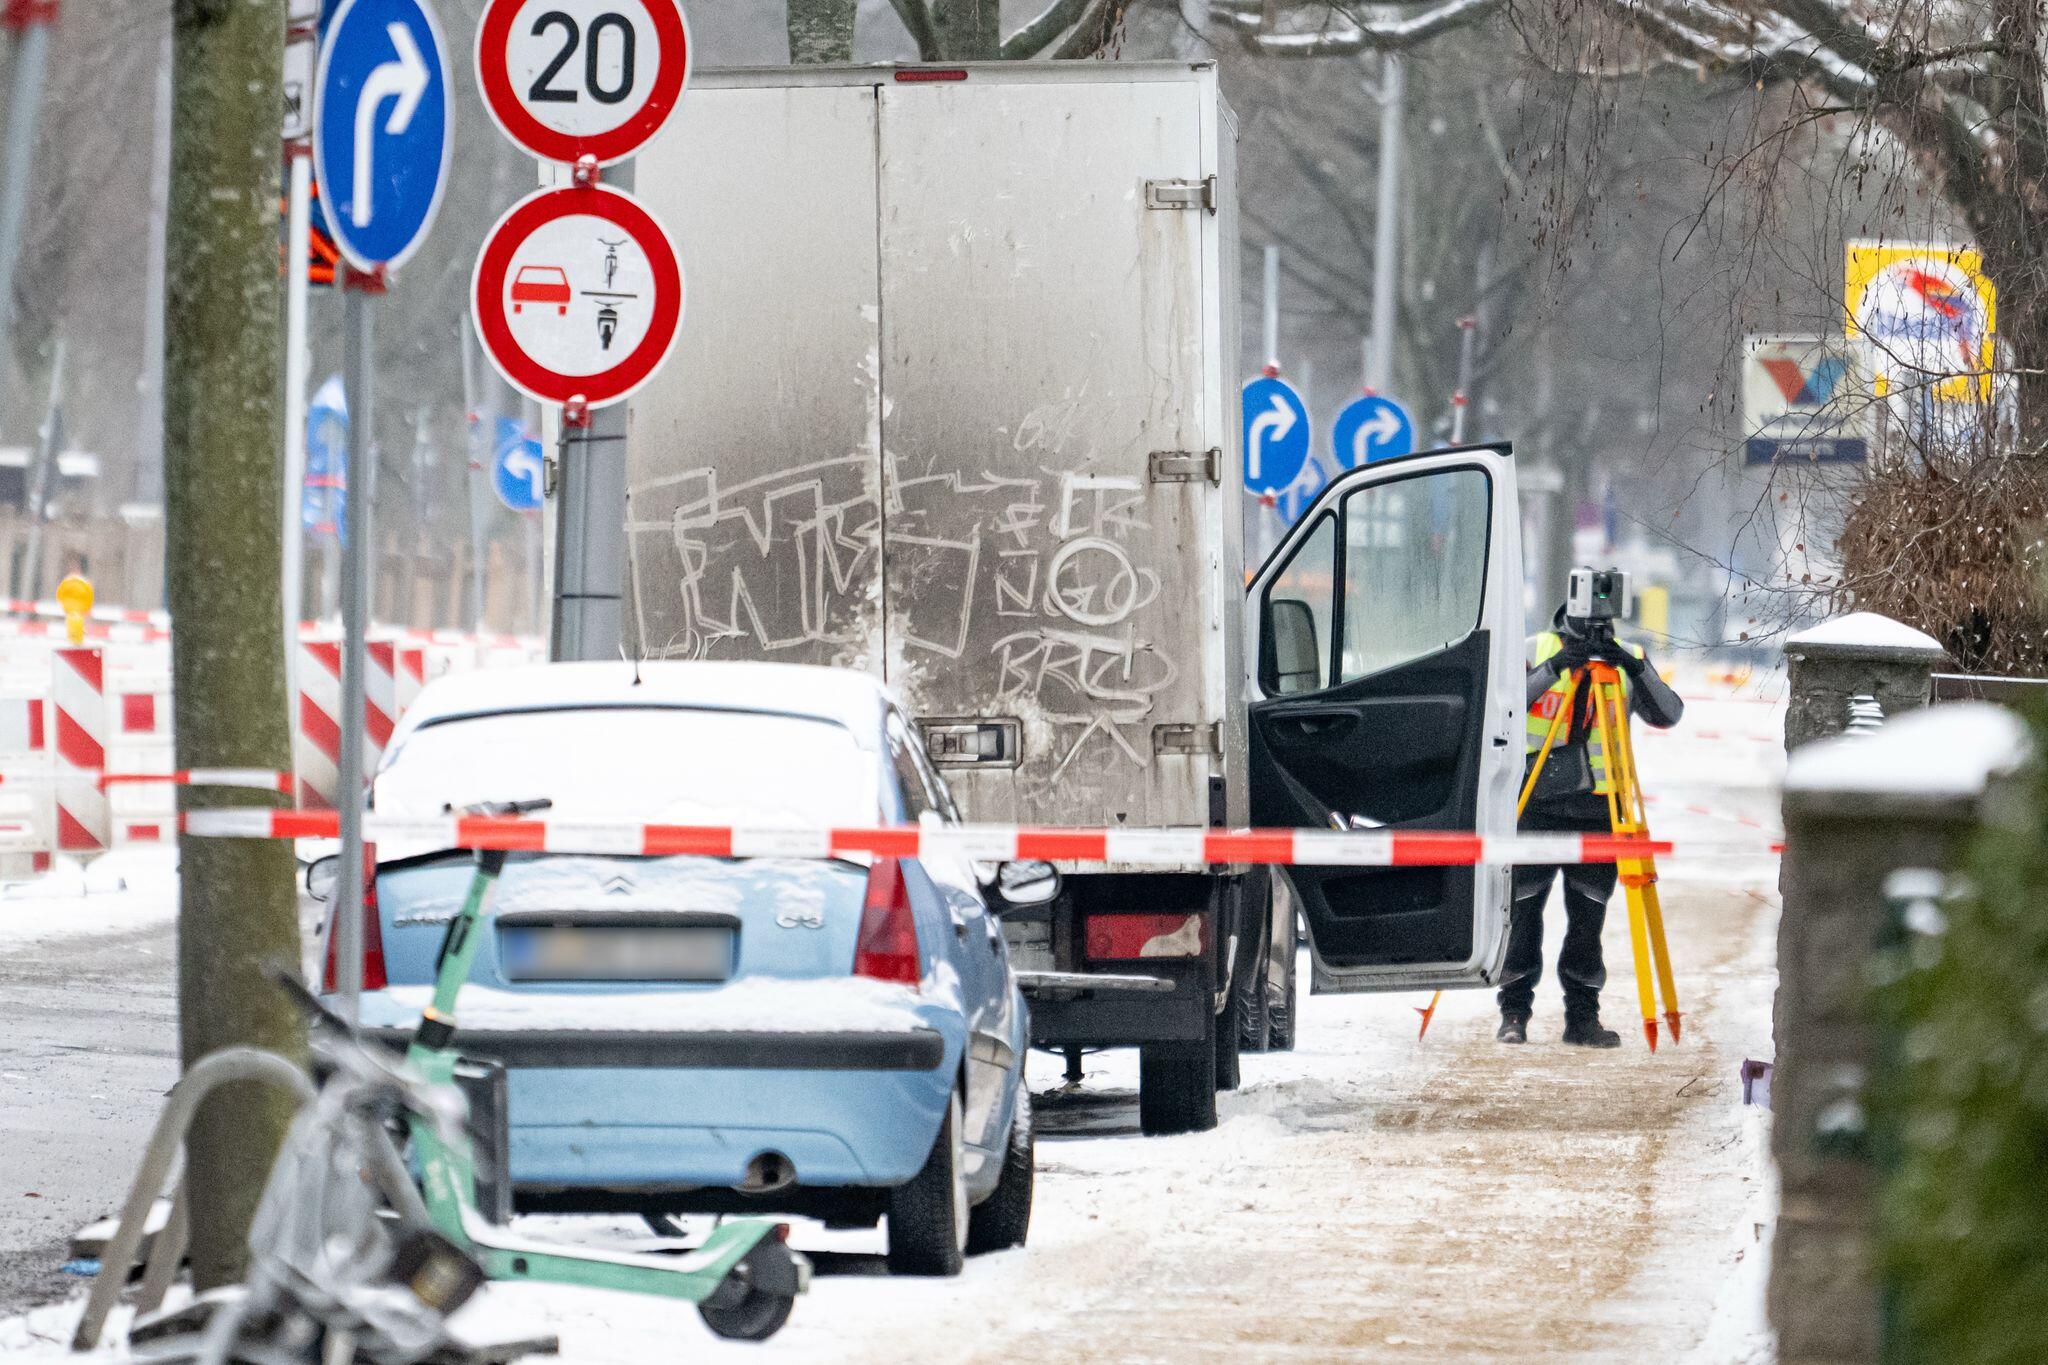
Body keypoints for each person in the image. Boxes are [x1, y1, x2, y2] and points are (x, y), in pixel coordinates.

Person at [1497, 593, 1684, 1047]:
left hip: (1600, 811)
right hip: (1535, 806)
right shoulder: (1534, 649)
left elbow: (1669, 714)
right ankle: (1514, 1013)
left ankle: (1582, 1020)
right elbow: (1502, 707)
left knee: (1588, 922)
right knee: (1522, 915)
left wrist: (1633, 667)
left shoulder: (1628, 658)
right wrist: (1557, 666)